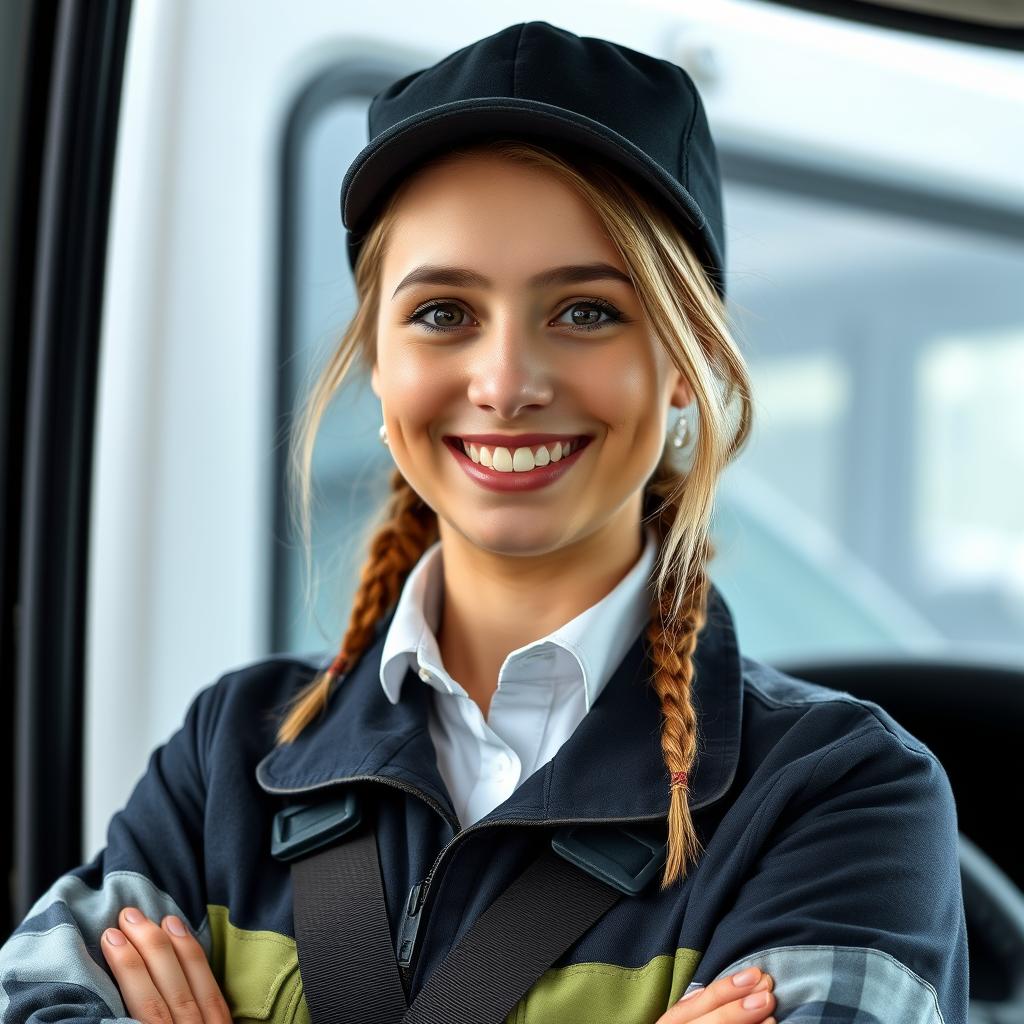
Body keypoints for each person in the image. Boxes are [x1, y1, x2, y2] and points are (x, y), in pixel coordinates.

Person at [0, 20, 967, 1024]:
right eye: (443, 313)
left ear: (686, 367)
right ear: (379, 367)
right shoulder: (228, 760)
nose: (505, 384)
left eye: (585, 311)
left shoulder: (840, 799)